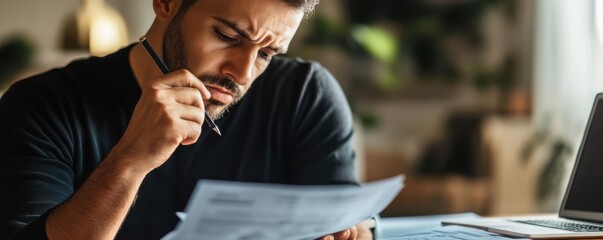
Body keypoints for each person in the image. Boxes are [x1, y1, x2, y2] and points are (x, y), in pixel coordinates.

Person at [0, 0, 371, 239]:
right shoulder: (41, 106)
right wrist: (130, 160)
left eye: (267, 54)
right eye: (227, 36)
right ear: (165, 3)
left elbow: (348, 221)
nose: (242, 74)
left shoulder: (304, 96)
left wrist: (351, 233)